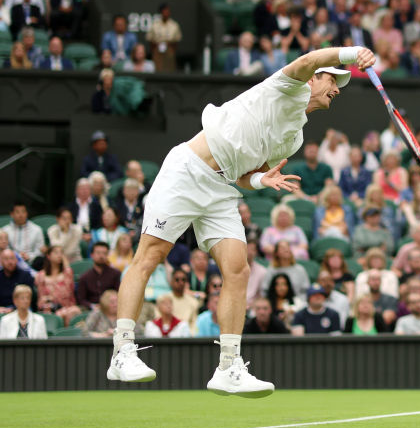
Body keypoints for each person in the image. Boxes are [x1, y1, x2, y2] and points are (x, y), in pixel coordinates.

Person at [106, 43, 375, 396]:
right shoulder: (285, 86)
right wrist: (353, 53)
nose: (337, 88)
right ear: (313, 79)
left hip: (221, 188)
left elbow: (248, 175)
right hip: (187, 171)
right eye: (332, 80)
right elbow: (310, 59)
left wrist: (264, 180)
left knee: (238, 269)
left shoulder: (295, 138)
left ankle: (228, 366)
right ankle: (122, 351)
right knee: (149, 258)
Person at [75, 242, 121, 309]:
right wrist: (92, 306)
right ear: (92, 255)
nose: (101, 256)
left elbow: (119, 294)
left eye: (104, 253)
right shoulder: (84, 277)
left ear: (108, 255)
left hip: (112, 308)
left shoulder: (116, 274)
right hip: (90, 309)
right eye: (98, 253)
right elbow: (81, 299)